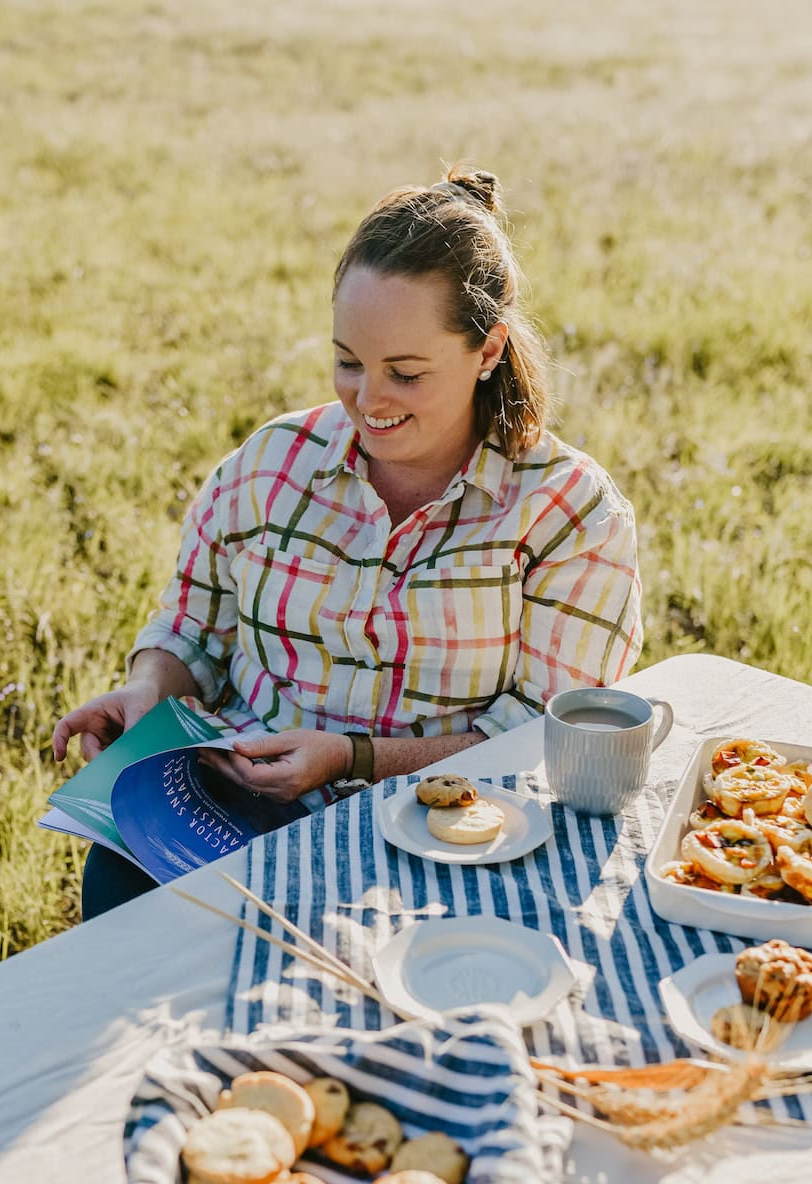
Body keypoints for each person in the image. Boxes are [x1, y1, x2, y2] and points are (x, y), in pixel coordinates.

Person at [53, 166, 643, 918]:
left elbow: (541, 738)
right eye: (348, 362)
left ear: (489, 350)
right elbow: (190, 631)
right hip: (229, 811)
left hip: (439, 838)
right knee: (119, 898)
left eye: (405, 373)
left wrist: (352, 759)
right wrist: (147, 689)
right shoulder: (268, 464)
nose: (368, 400)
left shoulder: (570, 512)